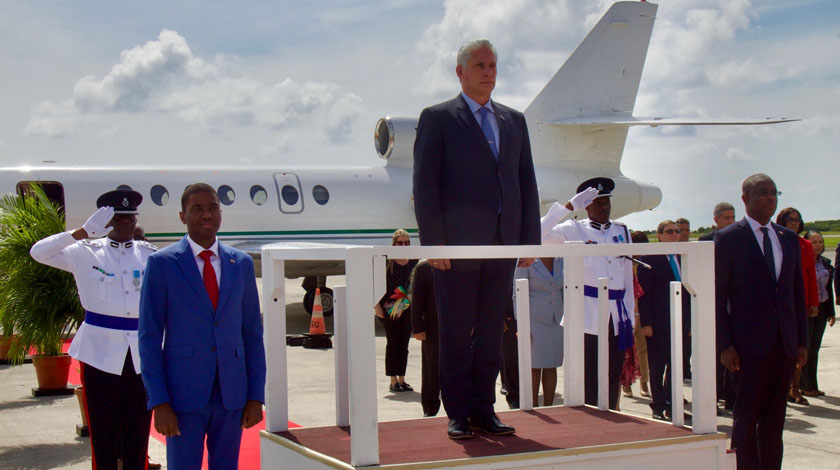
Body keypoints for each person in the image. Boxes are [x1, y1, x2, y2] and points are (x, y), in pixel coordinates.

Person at [412, 38, 540, 439]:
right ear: (460, 72)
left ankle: (485, 408)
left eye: (493, 65)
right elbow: (425, 185)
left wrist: (528, 242)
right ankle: (458, 413)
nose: (488, 72)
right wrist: (434, 244)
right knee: (454, 330)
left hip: (503, 244)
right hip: (457, 247)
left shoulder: (514, 121)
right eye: (480, 65)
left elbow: (526, 184)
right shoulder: (438, 118)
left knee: (490, 330)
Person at [139, 183, 266, 469]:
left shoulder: (241, 263)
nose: (206, 215)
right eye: (197, 209)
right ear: (183, 216)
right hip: (182, 397)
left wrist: (256, 395)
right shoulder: (162, 264)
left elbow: (252, 334)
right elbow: (149, 338)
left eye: (212, 208)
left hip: (231, 394)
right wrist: (159, 402)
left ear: (220, 213)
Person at [30, 189, 154, 470]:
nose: (125, 222)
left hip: (140, 355)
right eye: (118, 217)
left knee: (138, 431)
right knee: (103, 432)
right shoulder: (83, 252)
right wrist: (81, 232)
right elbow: (38, 252)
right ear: (106, 222)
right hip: (99, 353)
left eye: (130, 217)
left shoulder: (150, 256)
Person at [716, 173, 807, 470]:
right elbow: (718, 297)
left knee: (774, 422)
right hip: (746, 349)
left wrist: (801, 341)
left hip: (783, 345)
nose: (770, 197)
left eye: (773, 193)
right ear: (746, 198)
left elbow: (795, 294)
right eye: (763, 192)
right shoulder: (729, 238)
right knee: (745, 420)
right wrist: (724, 344)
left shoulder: (788, 238)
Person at [541, 178, 634, 410]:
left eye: (606, 202)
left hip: (616, 314)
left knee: (612, 375)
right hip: (586, 316)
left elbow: (627, 277)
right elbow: (536, 235)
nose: (604, 207)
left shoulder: (621, 231)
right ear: (587, 205)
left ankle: (611, 415)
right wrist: (568, 207)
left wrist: (630, 315)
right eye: (598, 202)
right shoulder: (573, 229)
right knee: (588, 378)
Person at [637, 220, 692, 421]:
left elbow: (689, 293)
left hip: (681, 320)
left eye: (676, 231)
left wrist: (690, 322)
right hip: (658, 323)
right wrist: (646, 323)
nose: (674, 235)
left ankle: (673, 404)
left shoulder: (682, 257)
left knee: (677, 366)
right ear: (659, 235)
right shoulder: (650, 258)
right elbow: (644, 294)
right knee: (657, 366)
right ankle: (658, 406)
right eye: (669, 232)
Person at [776, 207, 819, 406]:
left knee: (801, 345)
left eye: (796, 220)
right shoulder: (777, 240)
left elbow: (809, 275)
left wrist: (813, 302)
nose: (794, 223)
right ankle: (781, 388)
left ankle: (795, 387)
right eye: (789, 219)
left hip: (799, 301)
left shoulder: (805, 245)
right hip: (782, 301)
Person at [699, 202, 737, 411]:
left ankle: (731, 398)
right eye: (726, 218)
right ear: (716, 220)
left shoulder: (740, 239)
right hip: (713, 301)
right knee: (713, 355)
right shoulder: (706, 241)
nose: (730, 222)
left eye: (733, 218)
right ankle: (711, 398)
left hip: (734, 302)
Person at [514, 257, 564, 407]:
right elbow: (517, 292)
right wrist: (522, 325)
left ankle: (549, 406)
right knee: (533, 366)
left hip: (556, 319)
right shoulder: (525, 259)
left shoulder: (561, 259)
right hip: (533, 319)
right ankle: (533, 406)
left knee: (551, 365)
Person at [375, 230, 418, 393]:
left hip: (407, 306)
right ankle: (393, 380)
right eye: (400, 242)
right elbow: (376, 283)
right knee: (393, 343)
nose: (404, 245)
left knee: (404, 343)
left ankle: (402, 378)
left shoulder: (414, 262)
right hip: (390, 307)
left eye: (406, 242)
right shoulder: (387, 262)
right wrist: (376, 306)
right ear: (394, 244)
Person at [800, 230, 835, 397]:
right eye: (814, 242)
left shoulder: (826, 263)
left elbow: (828, 290)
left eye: (820, 241)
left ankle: (813, 383)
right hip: (807, 308)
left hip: (821, 308)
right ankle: (803, 384)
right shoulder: (803, 263)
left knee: (815, 348)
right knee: (805, 348)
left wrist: (831, 312)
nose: (818, 245)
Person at [410, 259, 440, 416]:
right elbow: (417, 300)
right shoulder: (424, 267)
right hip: (432, 329)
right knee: (431, 371)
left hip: (457, 328)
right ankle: (429, 408)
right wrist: (418, 328)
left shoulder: (459, 263)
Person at [623, 231, 650, 399]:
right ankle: (626, 384)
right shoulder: (625, 263)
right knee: (625, 351)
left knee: (643, 349)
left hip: (642, 313)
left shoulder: (645, 265)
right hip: (627, 312)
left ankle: (644, 382)